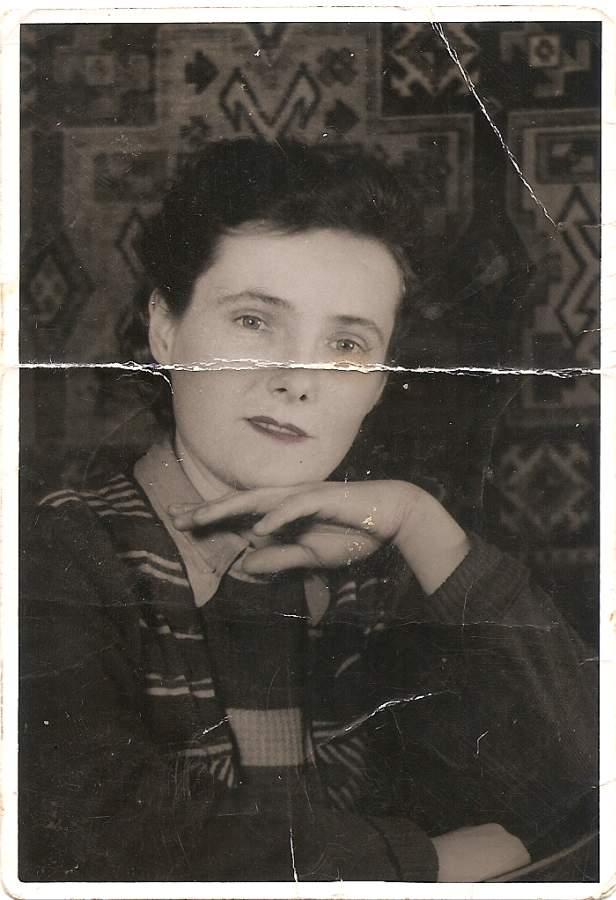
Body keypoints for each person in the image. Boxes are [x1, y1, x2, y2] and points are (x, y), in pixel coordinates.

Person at [19, 139, 597, 883]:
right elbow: (84, 836)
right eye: (253, 321)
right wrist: (419, 863)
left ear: (380, 382)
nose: (298, 379)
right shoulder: (56, 554)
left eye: (347, 343)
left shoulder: (385, 567)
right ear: (165, 328)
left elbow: (587, 770)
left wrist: (418, 520)